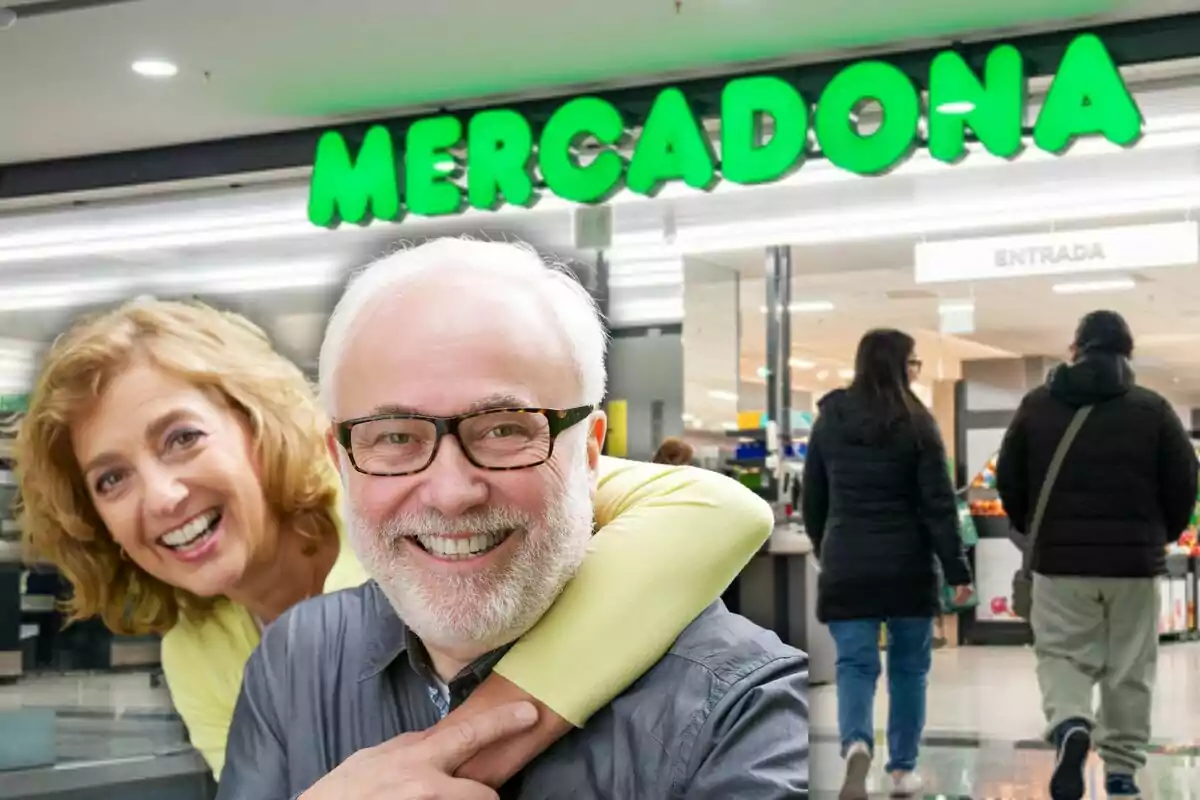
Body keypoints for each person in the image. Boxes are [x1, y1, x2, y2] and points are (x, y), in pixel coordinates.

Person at [14, 290, 777, 785]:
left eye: (181, 438)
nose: (161, 495)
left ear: (260, 427)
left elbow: (720, 511)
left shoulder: (402, 498)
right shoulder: (201, 648)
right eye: (110, 478)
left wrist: (472, 743)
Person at [216, 238, 809, 798]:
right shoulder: (296, 656)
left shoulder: (740, 710)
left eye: (505, 429)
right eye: (394, 436)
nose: (451, 493)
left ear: (591, 452)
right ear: (340, 463)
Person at [995, 310, 1197, 800]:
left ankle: (1069, 725)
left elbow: (1009, 477)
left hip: (1059, 563)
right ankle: (1122, 771)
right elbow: (1185, 482)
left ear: (1075, 348)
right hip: (1133, 564)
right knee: (1130, 667)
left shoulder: (1037, 406)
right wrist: (1160, 536)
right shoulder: (1153, 410)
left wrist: (1033, 533)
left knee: (1061, 653)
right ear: (1127, 352)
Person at [802, 328, 972, 800]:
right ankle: (902, 769)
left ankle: (856, 743)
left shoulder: (829, 419)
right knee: (908, 670)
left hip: (848, 562)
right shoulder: (918, 423)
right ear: (901, 366)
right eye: (914, 363)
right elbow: (939, 504)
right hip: (908, 565)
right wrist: (957, 571)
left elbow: (812, 496)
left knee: (855, 664)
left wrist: (826, 546)